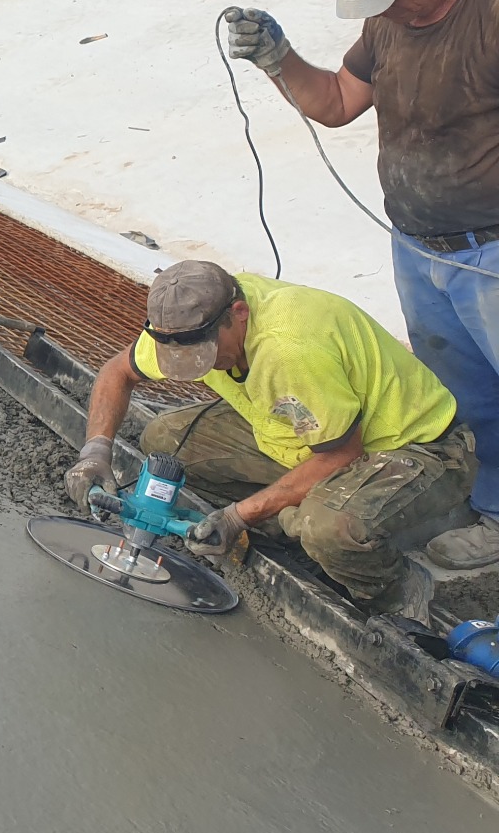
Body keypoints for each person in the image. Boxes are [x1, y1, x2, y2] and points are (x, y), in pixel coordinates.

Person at [223, 0, 499, 569]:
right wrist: (278, 59)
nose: (390, 7)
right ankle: (492, 513)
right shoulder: (389, 21)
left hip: (491, 251)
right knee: (463, 396)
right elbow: (340, 101)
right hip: (418, 246)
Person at [65, 260, 474, 619]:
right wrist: (95, 451)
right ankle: (288, 517)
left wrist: (237, 517)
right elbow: (118, 372)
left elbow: (340, 454)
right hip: (306, 429)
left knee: (325, 527)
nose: (196, 367)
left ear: (238, 314)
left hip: (413, 446)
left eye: (205, 356)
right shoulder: (185, 322)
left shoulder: (291, 350)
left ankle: (399, 592)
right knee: (166, 438)